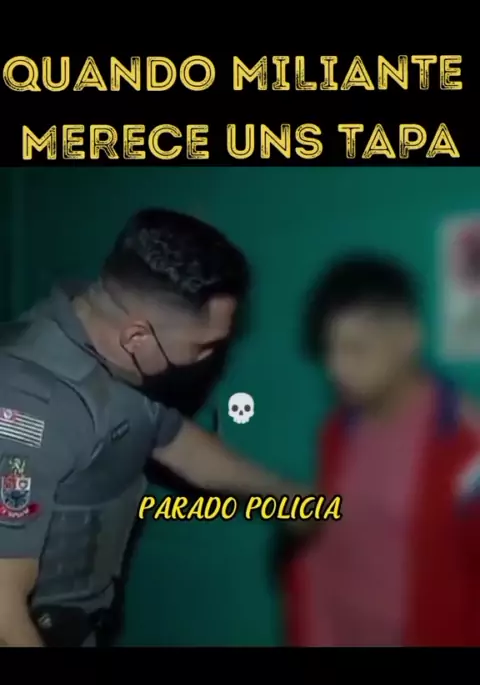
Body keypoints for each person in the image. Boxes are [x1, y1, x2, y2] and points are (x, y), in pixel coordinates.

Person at [0, 208, 307, 648]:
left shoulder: (107, 348)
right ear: (137, 337)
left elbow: (179, 443)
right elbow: (4, 611)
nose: (208, 358)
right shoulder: (28, 408)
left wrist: (293, 496)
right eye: (202, 346)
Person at [285, 253, 480, 647]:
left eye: (355, 349)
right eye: (329, 350)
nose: (336, 368)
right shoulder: (338, 432)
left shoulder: (463, 442)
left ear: (408, 338)